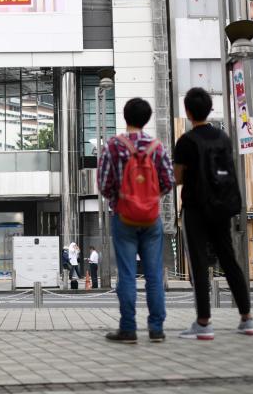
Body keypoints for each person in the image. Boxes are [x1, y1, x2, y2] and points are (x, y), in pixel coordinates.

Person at [173, 87, 253, 340]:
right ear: (210, 109)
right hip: (222, 207)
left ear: (187, 111)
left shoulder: (186, 141)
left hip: (196, 207)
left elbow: (177, 178)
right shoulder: (224, 138)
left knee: (198, 264)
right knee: (229, 260)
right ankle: (247, 319)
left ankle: (204, 322)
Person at [97, 97, 174, 343]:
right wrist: (150, 199)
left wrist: (121, 199)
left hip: (124, 217)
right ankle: (156, 329)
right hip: (152, 219)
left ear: (125, 116)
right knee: (153, 275)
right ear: (148, 118)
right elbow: (168, 181)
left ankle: (128, 329)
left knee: (127, 274)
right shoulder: (156, 147)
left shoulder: (113, 146)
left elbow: (103, 184)